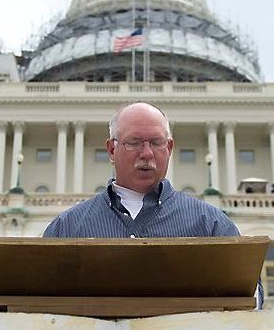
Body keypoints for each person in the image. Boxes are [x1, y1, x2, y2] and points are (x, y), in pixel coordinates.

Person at [43, 102, 240, 239]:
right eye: (134, 143)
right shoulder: (67, 227)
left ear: (169, 148)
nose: (147, 153)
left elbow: (249, 291)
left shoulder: (211, 224)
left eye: (156, 143)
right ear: (112, 150)